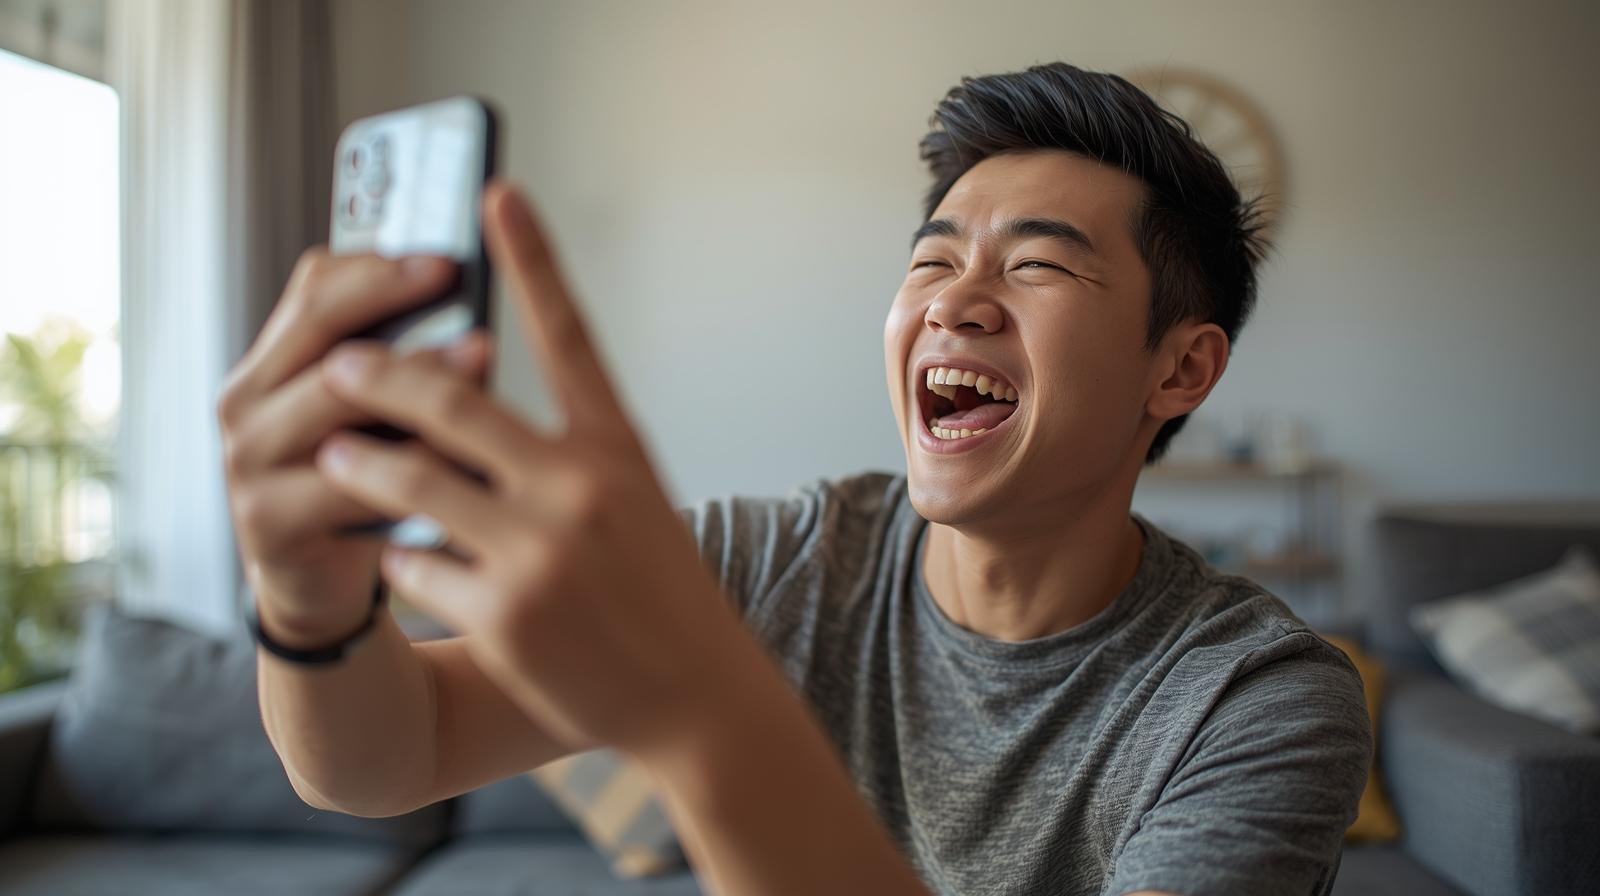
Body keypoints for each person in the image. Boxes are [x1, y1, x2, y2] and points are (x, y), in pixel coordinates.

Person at [218, 62, 1370, 896]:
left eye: (1032, 265)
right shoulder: (777, 559)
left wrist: (696, 708)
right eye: (930, 261)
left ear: (1180, 367)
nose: (951, 302)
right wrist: (308, 601)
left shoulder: (1259, 700)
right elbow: (383, 757)